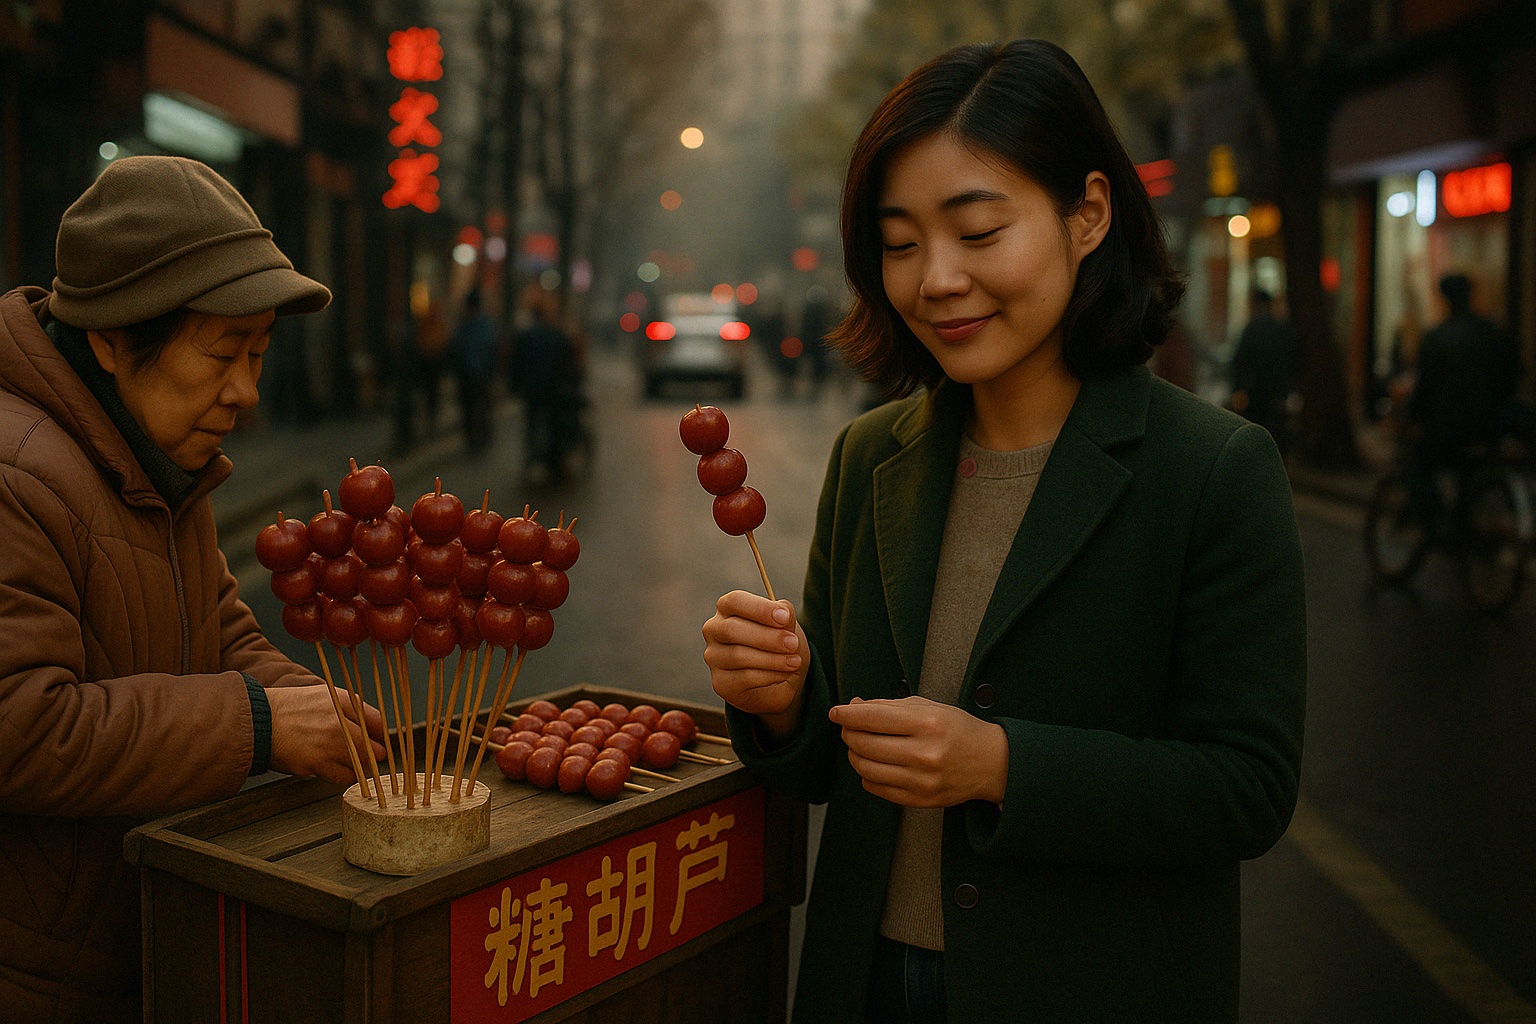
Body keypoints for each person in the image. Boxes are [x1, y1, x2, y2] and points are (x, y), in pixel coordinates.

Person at [701, 41, 1305, 1024]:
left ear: (1090, 215)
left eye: (978, 231)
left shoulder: (1212, 470)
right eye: (900, 244)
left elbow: (1247, 786)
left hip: (1087, 986)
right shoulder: (871, 457)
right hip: (867, 981)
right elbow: (828, 763)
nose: (936, 279)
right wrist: (780, 701)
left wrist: (1001, 766)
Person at [0, 156, 387, 1023]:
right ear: (110, 337)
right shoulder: (13, 474)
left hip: (140, 935)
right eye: (221, 354)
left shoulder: (157, 454)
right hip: (35, 974)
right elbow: (19, 724)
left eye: (258, 354)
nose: (245, 393)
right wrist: (257, 725)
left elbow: (220, 631)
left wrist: (315, 706)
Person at [1403, 272, 1523, 529]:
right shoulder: (1492, 331)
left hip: (1449, 431)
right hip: (1491, 426)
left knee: (1416, 471)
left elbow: (1425, 389)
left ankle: (1439, 524)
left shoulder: (1436, 337)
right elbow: (1513, 375)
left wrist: (1411, 419)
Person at [510, 284, 580, 483]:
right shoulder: (556, 335)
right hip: (553, 389)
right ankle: (554, 462)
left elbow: (517, 362)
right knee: (554, 425)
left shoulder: (525, 335)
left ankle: (531, 461)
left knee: (532, 424)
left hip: (532, 389)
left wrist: (515, 385)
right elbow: (568, 361)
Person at [1230, 289, 1298, 451]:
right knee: (1276, 432)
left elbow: (1240, 362)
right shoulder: (1281, 329)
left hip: (1255, 392)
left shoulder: (1252, 329)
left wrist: (1239, 389)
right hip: (1277, 392)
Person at [449, 287, 500, 455]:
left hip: (467, 375)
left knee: (469, 409)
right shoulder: (486, 325)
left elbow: (456, 349)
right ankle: (481, 438)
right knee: (482, 407)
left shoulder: (464, 325)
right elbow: (493, 349)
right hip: (481, 375)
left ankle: (473, 440)